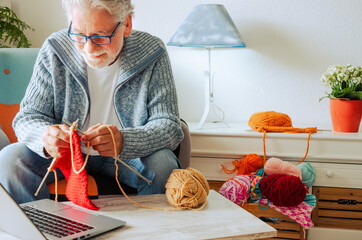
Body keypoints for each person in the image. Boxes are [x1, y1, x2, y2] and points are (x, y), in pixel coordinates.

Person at [0, 0, 183, 204]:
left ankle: (151, 234)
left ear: (127, 25)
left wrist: (124, 140)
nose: (89, 48)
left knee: (163, 164)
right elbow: (27, 117)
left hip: (127, 156)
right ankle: (38, 232)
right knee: (10, 160)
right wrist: (45, 137)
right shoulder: (55, 48)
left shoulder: (152, 52)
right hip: (66, 155)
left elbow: (169, 126)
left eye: (101, 36)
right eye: (79, 34)